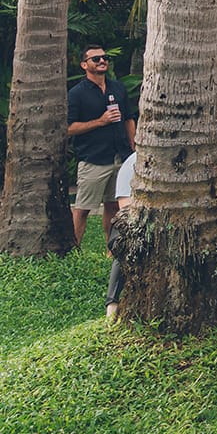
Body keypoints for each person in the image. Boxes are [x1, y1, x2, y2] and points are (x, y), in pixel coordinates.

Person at [68, 45, 138, 248]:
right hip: (94, 158)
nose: (102, 61)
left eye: (104, 57)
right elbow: (69, 128)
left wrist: (132, 149)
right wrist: (101, 121)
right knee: (83, 207)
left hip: (120, 155)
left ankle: (112, 249)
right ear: (84, 65)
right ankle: (75, 249)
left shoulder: (118, 88)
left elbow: (129, 119)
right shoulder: (77, 93)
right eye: (96, 58)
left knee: (113, 205)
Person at [104, 152, 137, 319]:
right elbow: (125, 207)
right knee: (122, 242)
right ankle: (112, 305)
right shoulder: (132, 163)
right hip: (138, 219)